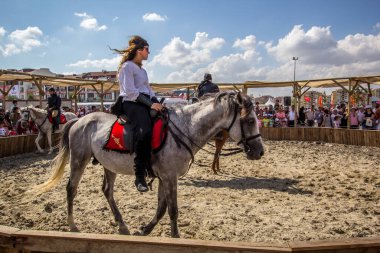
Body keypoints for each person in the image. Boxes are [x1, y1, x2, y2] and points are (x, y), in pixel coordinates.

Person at [114, 35, 163, 192]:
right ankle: (139, 175)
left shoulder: (142, 70)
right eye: (147, 49)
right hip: (131, 103)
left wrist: (156, 101)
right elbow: (130, 92)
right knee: (145, 131)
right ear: (140, 50)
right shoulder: (127, 67)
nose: (149, 52)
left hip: (145, 101)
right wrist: (150, 104)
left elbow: (148, 89)